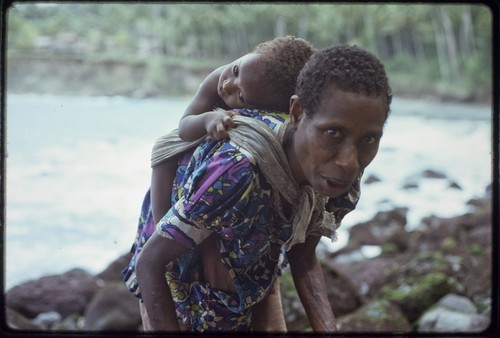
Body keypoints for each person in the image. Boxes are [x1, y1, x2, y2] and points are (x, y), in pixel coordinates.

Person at [133, 44, 392, 332]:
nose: (349, 161)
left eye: (368, 140)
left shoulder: (338, 178)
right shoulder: (237, 170)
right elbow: (151, 263)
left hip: (255, 253)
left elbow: (303, 256)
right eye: (333, 133)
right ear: (297, 112)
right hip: (184, 255)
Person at [122, 36, 315, 331]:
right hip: (185, 144)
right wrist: (208, 119)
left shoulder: (263, 120)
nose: (228, 86)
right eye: (236, 71)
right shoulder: (220, 76)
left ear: (258, 111)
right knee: (163, 153)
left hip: (216, 162)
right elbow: (184, 125)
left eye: (242, 97)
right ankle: (162, 229)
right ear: (246, 56)